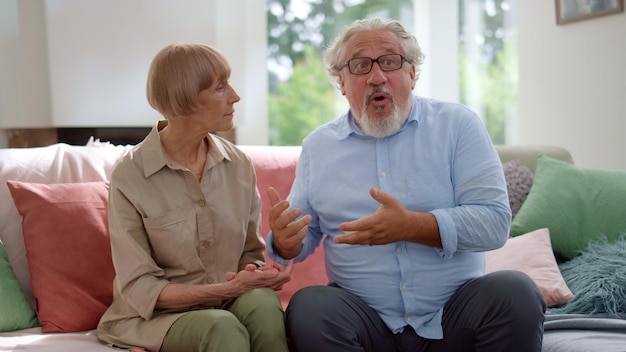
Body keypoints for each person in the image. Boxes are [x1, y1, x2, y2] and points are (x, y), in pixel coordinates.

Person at [266, 17, 546, 352]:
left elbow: (494, 223)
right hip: (363, 321)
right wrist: (284, 243)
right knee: (310, 307)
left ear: (411, 73)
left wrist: (412, 226)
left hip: (454, 317)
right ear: (342, 81)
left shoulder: (459, 126)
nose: (377, 76)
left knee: (516, 292)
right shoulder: (318, 147)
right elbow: (305, 233)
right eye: (360, 65)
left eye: (389, 61)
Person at [96, 43, 291, 352]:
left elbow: (249, 254)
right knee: (221, 327)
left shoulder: (238, 165)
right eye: (219, 87)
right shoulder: (130, 176)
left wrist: (259, 275)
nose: (235, 96)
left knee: (265, 305)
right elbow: (139, 287)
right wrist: (225, 288)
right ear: (185, 100)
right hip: (159, 317)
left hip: (227, 303)